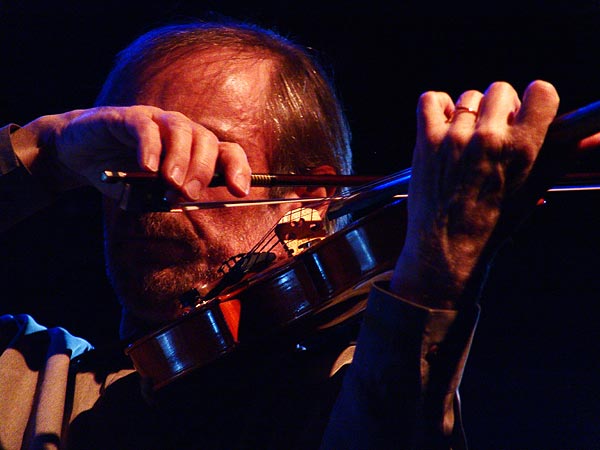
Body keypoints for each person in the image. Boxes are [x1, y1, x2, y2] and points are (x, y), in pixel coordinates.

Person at [0, 18, 592, 450]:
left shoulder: (344, 398)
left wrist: (436, 274)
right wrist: (45, 150)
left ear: (309, 199)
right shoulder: (34, 385)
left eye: (198, 151)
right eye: (128, 156)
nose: (145, 189)